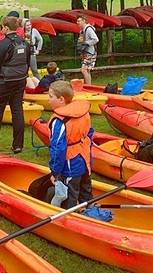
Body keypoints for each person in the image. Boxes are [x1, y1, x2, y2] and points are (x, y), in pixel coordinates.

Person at [0, 16, 29, 153]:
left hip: (4, 82)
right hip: (20, 80)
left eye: (2, 27)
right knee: (17, 110)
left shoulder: (3, 44)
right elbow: (26, 62)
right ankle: (18, 144)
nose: (2, 29)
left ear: (6, 28)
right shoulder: (24, 43)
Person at [47, 80, 93, 208]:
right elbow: (90, 133)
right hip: (85, 158)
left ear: (61, 100)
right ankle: (90, 208)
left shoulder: (59, 121)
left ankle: (71, 214)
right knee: (85, 187)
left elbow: (58, 149)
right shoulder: (83, 112)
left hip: (71, 163)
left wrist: (55, 172)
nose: (48, 99)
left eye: (51, 97)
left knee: (70, 193)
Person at [76, 15, 99, 85]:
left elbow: (96, 39)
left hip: (90, 53)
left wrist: (87, 43)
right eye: (77, 21)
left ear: (84, 21)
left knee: (83, 70)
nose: (77, 23)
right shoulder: (82, 31)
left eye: (79, 21)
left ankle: (87, 86)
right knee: (87, 70)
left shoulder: (88, 29)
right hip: (85, 53)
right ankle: (89, 86)